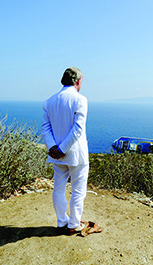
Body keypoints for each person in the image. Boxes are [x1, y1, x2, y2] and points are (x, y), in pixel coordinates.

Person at [41, 67, 89, 234]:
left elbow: (45, 128)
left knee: (59, 188)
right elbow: (78, 130)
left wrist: (54, 148)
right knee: (78, 190)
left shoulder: (49, 102)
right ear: (77, 81)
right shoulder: (80, 100)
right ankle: (74, 224)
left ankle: (62, 221)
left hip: (57, 156)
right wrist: (62, 149)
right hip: (76, 155)